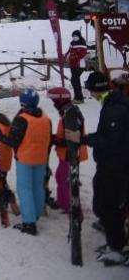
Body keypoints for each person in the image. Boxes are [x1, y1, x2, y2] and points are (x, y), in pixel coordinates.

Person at [71, 71, 129, 264]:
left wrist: (84, 139)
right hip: (113, 164)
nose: (90, 94)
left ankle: (117, 247)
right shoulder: (113, 102)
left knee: (107, 205)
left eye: (90, 90)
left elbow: (111, 140)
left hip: (114, 165)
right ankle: (115, 241)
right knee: (107, 204)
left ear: (97, 89)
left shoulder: (114, 109)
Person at [0, 89, 51, 235]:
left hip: (25, 158)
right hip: (41, 158)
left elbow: (13, 140)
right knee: (37, 187)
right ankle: (35, 215)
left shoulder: (22, 119)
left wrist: (0, 137)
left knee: (24, 189)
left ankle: (29, 223)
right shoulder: (45, 118)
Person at [45, 86, 85, 213]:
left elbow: (71, 139)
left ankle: (69, 205)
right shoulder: (69, 111)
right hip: (66, 153)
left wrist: (53, 139)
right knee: (60, 176)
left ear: (60, 101)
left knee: (64, 178)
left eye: (54, 101)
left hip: (70, 153)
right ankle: (62, 202)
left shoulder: (70, 114)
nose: (54, 104)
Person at [63, 30, 87, 103]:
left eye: (76, 36)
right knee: (74, 80)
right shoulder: (72, 43)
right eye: (73, 36)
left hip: (79, 65)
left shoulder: (82, 43)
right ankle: (78, 96)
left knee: (75, 80)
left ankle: (79, 98)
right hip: (73, 64)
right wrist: (65, 57)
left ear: (79, 36)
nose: (74, 37)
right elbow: (69, 52)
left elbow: (82, 54)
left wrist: (74, 56)